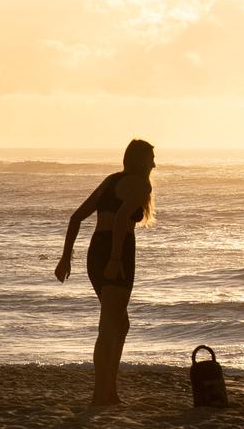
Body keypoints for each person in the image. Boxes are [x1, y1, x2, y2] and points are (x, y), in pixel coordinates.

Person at [54, 139, 156, 406]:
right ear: (140, 160)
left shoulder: (111, 181)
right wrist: (115, 258)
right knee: (110, 325)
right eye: (151, 159)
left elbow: (76, 218)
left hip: (95, 251)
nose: (155, 164)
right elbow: (123, 218)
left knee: (119, 324)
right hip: (116, 250)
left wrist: (66, 258)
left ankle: (109, 391)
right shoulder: (141, 183)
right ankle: (101, 395)